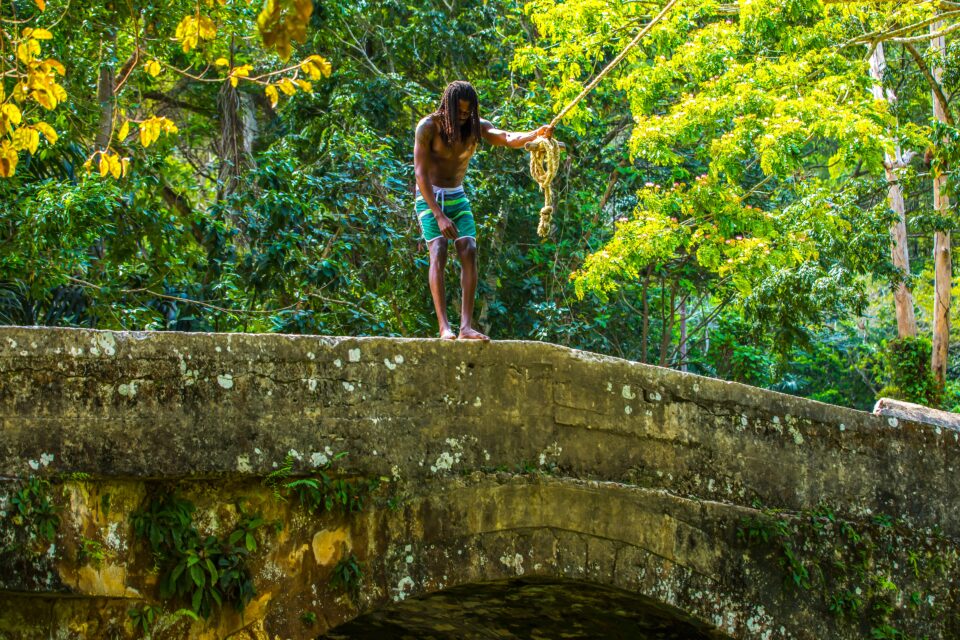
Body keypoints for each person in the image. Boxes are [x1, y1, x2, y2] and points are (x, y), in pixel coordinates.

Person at [414, 80, 553, 340]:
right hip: (430, 198)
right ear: (448, 107)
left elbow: (507, 137)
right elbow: (420, 174)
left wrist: (535, 134)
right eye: (460, 112)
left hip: (457, 196)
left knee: (469, 249)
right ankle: (444, 326)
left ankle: (466, 326)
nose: (464, 116)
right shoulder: (428, 127)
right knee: (439, 250)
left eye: (468, 112)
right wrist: (438, 214)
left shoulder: (476, 128)